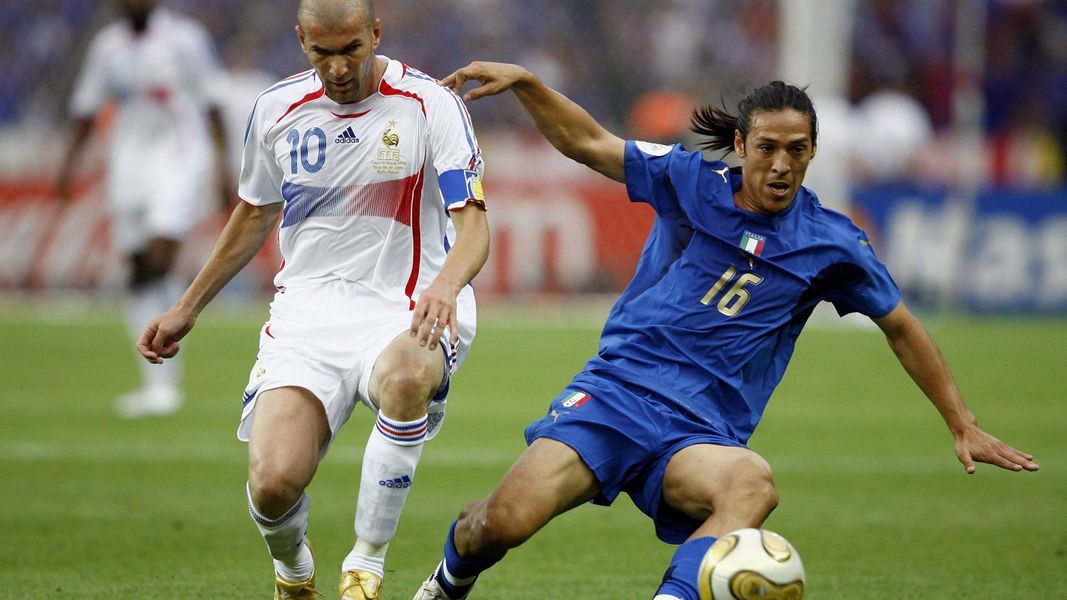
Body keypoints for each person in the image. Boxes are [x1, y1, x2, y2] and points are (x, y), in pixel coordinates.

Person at [409, 62, 1039, 600]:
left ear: (814, 151)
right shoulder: (690, 180)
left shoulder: (833, 244)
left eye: (797, 150)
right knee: (500, 525)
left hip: (700, 433)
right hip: (616, 396)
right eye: (767, 148)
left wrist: (961, 423)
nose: (781, 164)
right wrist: (527, 83)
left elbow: (901, 326)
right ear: (740, 144)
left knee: (752, 483)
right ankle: (449, 577)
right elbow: (589, 143)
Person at [136, 1, 489, 598]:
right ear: (301, 40)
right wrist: (187, 307)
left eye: (351, 49)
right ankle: (294, 571)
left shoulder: (430, 104)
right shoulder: (276, 109)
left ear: (375, 33)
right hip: (308, 316)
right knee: (273, 484)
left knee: (408, 375)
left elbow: (474, 224)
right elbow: (254, 213)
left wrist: (447, 285)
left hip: (405, 305)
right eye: (322, 53)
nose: (338, 68)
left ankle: (365, 568)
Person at [55, 0, 232, 418]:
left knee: (159, 256)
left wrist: (223, 170)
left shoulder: (185, 40)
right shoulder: (108, 46)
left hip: (178, 155)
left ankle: (167, 372)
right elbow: (85, 107)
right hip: (129, 160)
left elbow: (212, 104)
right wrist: (68, 165)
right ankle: (158, 384)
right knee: (138, 269)